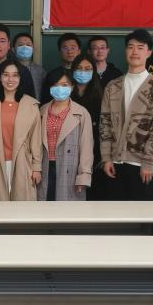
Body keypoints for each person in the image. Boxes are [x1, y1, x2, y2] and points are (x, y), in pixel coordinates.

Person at [100, 30, 153, 202]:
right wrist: (106, 158)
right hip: (115, 163)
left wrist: (148, 161)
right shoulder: (113, 86)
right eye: (130, 47)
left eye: (140, 47)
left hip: (142, 165)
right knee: (116, 214)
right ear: (125, 51)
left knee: (142, 214)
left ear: (149, 52)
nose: (135, 51)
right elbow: (105, 123)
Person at [0, 59, 42, 201]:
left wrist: (37, 167)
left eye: (15, 75)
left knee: (21, 207)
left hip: (23, 161)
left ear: (21, 78)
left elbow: (36, 139)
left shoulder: (31, 105)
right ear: (0, 77)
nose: (10, 79)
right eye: (6, 75)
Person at [38, 70, 93, 201]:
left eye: (64, 85)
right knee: (44, 206)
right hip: (45, 167)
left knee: (66, 209)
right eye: (55, 85)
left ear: (72, 87)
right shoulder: (41, 111)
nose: (60, 89)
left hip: (69, 168)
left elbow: (86, 147)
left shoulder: (81, 113)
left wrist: (84, 175)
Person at [69, 54, 108, 200]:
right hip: (69, 151)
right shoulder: (65, 94)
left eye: (87, 69)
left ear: (94, 72)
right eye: (79, 68)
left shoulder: (101, 97)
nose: (83, 72)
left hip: (94, 154)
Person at [41, 32, 81, 104]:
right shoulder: (52, 75)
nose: (69, 51)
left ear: (79, 51)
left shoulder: (85, 74)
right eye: (65, 48)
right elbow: (46, 100)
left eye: (73, 48)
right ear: (59, 51)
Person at [13, 32, 45, 100]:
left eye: (28, 45)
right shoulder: (7, 69)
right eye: (20, 45)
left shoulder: (40, 71)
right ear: (13, 49)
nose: (25, 47)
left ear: (33, 49)